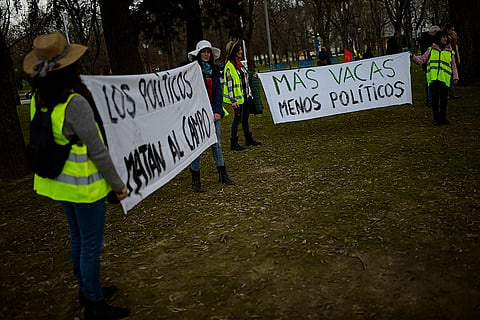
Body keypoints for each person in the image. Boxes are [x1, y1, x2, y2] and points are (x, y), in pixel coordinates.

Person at [23, 32, 130, 319]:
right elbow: (98, 151)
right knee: (91, 244)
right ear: (70, 67)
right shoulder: (75, 104)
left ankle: (87, 288)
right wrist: (118, 186)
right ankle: (93, 302)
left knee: (78, 239)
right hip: (84, 189)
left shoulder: (39, 99)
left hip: (60, 185)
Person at [187, 40, 235, 192]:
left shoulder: (214, 71)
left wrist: (217, 111)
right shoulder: (192, 72)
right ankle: (195, 179)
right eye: (203, 52)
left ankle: (223, 174)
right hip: (196, 114)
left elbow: (218, 93)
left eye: (208, 52)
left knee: (217, 144)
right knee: (197, 147)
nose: (206, 54)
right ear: (198, 54)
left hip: (212, 113)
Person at [411, 30, 459, 126]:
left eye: (446, 37)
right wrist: (412, 57)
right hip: (433, 79)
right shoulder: (431, 50)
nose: (445, 39)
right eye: (442, 37)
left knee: (444, 100)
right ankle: (436, 119)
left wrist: (455, 76)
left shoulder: (450, 52)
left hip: (444, 79)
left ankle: (443, 118)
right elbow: (421, 60)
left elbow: (453, 66)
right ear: (438, 38)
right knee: (435, 100)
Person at [223, 39, 261, 151]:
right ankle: (233, 142)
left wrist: (252, 74)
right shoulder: (230, 66)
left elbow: (244, 76)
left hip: (246, 96)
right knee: (237, 119)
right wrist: (233, 100)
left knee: (245, 118)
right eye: (239, 50)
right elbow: (229, 85)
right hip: (238, 100)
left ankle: (248, 139)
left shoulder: (239, 64)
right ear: (234, 51)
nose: (241, 52)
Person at [419, 25, 441, 106]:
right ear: (434, 32)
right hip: (430, 64)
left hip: (429, 64)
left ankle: (430, 99)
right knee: (430, 82)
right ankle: (430, 99)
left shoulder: (424, 39)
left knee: (430, 82)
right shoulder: (430, 42)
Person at [444, 23, 460, 98]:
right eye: (452, 30)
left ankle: (451, 92)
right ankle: (448, 92)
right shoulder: (446, 38)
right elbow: (451, 46)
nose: (453, 32)